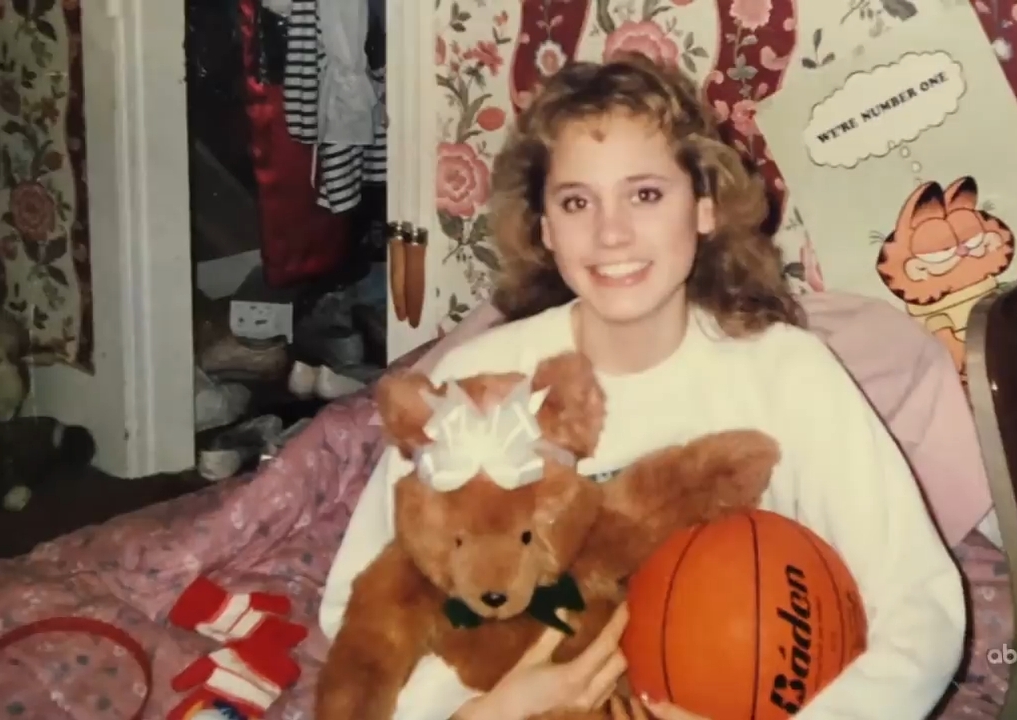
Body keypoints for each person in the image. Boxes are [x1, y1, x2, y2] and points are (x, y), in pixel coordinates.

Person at [319, 53, 966, 720]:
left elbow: (922, 604)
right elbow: (357, 605)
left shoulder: (790, 374)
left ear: (706, 207)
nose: (612, 233)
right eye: (576, 202)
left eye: (646, 194)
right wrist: (482, 708)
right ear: (544, 228)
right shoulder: (474, 384)